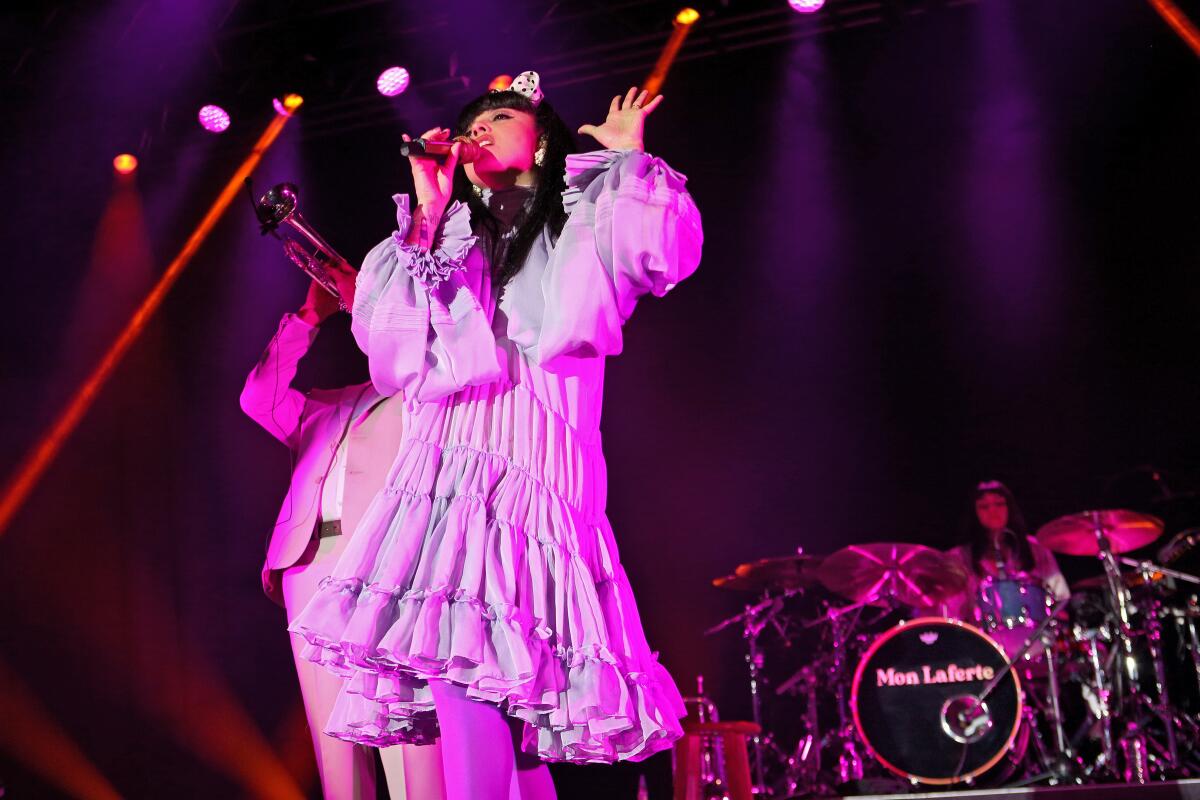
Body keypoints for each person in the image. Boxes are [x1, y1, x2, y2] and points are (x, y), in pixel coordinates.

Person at [287, 71, 702, 799]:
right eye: (471, 121)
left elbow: (657, 256)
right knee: (461, 666)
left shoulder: (581, 214)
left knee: (537, 690)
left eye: (500, 117)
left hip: (540, 460)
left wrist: (625, 159)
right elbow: (393, 356)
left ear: (544, 143)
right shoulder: (437, 237)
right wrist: (427, 204)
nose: (479, 128)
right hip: (449, 469)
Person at [241, 268, 445, 800]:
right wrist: (311, 317)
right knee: (336, 753)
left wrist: (367, 306)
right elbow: (258, 398)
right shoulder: (322, 405)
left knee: (405, 739)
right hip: (307, 570)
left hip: (381, 572)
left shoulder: (420, 395)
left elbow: (429, 364)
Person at [944, 480, 1069, 667]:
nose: (992, 510)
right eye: (984, 506)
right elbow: (952, 611)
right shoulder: (959, 558)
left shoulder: (1036, 550)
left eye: (999, 504)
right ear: (974, 512)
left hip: (1037, 640)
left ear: (1010, 507)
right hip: (982, 647)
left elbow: (1061, 596)